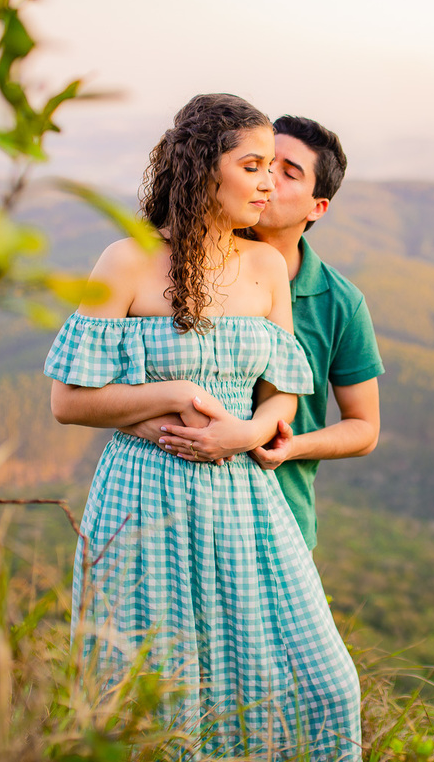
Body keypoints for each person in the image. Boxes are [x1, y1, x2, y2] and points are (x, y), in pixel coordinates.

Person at [44, 94, 361, 761]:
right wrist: (176, 392)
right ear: (201, 170)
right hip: (144, 500)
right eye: (254, 165)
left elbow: (283, 397)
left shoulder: (267, 267)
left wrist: (243, 435)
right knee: (165, 697)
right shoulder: (125, 261)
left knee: (324, 684)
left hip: (247, 500)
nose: (270, 181)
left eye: (276, 168)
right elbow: (69, 400)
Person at [131, 116, 384, 550]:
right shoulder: (177, 268)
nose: (268, 180)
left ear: (317, 207)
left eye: (288, 173)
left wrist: (284, 444)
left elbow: (364, 427)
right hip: (171, 508)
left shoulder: (339, 302)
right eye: (262, 164)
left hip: (281, 515)